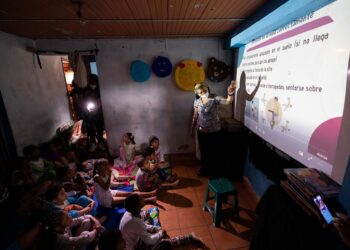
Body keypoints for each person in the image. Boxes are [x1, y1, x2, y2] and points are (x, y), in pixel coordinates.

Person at [191, 81, 236, 177]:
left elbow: (228, 102)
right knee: (204, 152)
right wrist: (192, 129)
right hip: (201, 132)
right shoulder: (197, 101)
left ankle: (214, 173)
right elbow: (195, 116)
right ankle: (204, 170)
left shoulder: (214, 98)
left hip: (214, 132)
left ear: (208, 89)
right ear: (197, 93)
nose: (203, 93)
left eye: (204, 90)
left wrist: (230, 93)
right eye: (200, 92)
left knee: (214, 153)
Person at [81, 74, 105, 152]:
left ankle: (100, 142)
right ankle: (93, 143)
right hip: (88, 112)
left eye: (95, 81)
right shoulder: (85, 90)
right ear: (89, 81)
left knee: (99, 127)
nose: (93, 83)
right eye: (92, 81)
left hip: (99, 112)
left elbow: (103, 99)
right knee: (90, 127)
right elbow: (83, 101)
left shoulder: (100, 89)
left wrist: (98, 106)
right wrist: (87, 109)